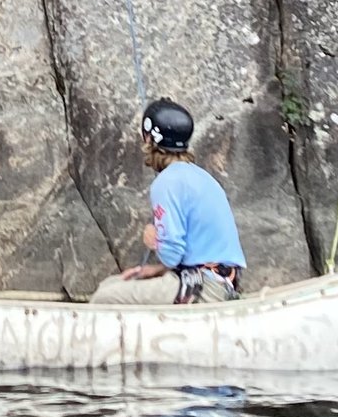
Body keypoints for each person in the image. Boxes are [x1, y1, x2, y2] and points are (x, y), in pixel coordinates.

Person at [96, 100, 245, 305]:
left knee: (105, 297)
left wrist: (154, 240)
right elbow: (194, 252)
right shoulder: (199, 175)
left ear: (148, 138)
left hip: (206, 288)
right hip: (219, 281)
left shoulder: (166, 182)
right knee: (111, 284)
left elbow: (172, 255)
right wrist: (154, 271)